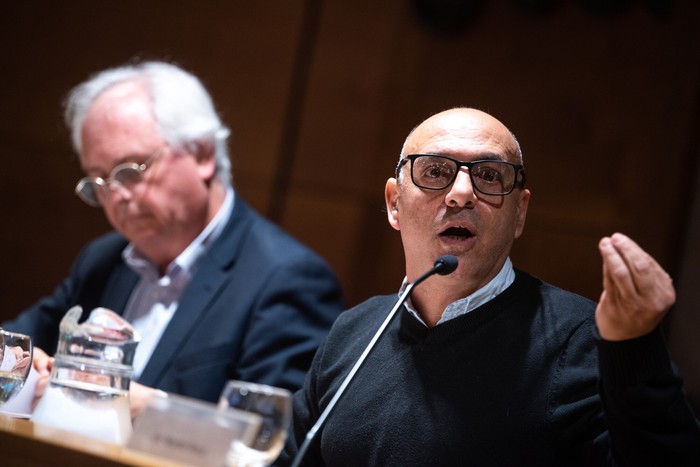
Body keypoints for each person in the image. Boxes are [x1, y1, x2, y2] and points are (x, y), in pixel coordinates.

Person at [279, 108, 700, 466]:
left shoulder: (579, 339)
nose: (461, 194)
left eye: (488, 175)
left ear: (519, 213)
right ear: (394, 203)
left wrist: (634, 347)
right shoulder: (356, 331)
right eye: (436, 172)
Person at [2, 61, 344, 417]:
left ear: (202, 154)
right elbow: (13, 342)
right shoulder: (103, 260)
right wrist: (19, 363)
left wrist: (150, 410)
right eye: (99, 181)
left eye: (131, 170)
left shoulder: (286, 279)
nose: (116, 195)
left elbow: (276, 441)